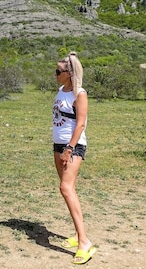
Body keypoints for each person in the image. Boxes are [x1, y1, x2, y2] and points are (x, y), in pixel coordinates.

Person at [52, 52, 96, 265]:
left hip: (73, 146)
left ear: (69, 74)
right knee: (68, 189)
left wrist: (70, 148)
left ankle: (85, 242)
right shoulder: (62, 91)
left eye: (58, 72)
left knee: (65, 188)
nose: (55, 74)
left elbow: (80, 124)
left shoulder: (80, 94)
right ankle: (79, 235)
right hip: (58, 145)